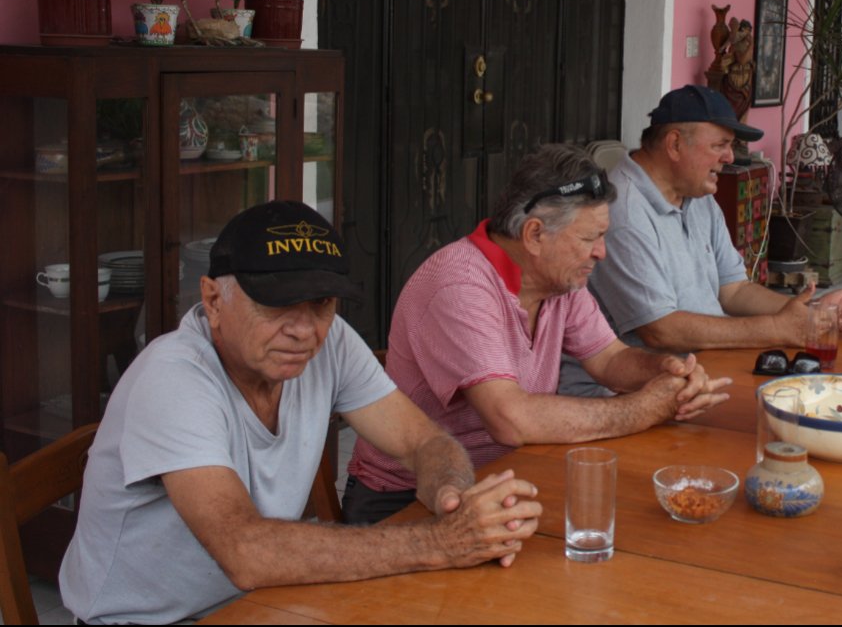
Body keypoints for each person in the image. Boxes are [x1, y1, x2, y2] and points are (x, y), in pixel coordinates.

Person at [60, 201, 542, 625]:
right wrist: (441, 543)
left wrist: (452, 496)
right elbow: (245, 551)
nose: (304, 330)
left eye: (322, 304)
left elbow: (424, 442)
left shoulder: (329, 342)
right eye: (277, 305)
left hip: (262, 602)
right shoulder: (172, 378)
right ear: (212, 301)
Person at [344, 144, 730, 524]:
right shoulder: (459, 285)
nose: (601, 253)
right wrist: (642, 409)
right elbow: (511, 420)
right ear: (534, 235)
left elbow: (610, 359)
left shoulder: (559, 282)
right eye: (588, 238)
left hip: (510, 477)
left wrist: (668, 373)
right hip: (410, 501)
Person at [561, 85, 842, 396]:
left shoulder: (696, 195)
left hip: (700, 367)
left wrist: (812, 314)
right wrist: (776, 329)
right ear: (674, 144)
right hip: (626, 390)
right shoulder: (625, 210)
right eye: (720, 145)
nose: (730, 156)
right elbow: (661, 329)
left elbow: (734, 289)